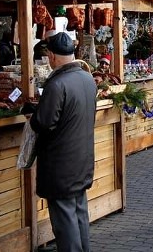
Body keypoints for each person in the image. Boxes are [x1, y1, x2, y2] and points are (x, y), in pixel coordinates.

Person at [29, 32, 97, 252]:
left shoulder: (57, 84)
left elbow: (43, 123)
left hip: (61, 164)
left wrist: (32, 114)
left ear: (52, 56)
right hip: (82, 159)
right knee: (79, 213)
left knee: (65, 221)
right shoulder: (87, 78)